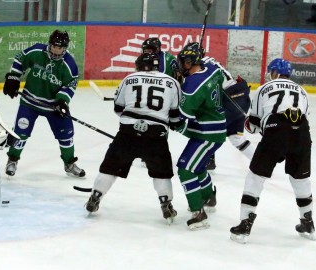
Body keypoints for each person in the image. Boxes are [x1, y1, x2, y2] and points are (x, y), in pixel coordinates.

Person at [85, 53, 182, 224]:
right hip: (156, 134)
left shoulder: (129, 79)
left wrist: (133, 124)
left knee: (110, 168)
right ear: (156, 66)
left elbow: (118, 108)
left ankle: (95, 197)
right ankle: (166, 204)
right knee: (161, 173)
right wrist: (169, 123)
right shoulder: (171, 82)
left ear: (137, 66)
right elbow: (175, 115)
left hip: (127, 132)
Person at [230, 58, 315, 243]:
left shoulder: (263, 89)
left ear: (274, 73)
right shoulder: (303, 91)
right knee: (301, 178)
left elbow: (253, 125)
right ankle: (308, 222)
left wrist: (250, 123)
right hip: (302, 133)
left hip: (276, 132)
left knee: (255, 177)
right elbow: (303, 117)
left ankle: (245, 225)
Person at [2, 29, 85, 178]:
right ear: (50, 44)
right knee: (21, 132)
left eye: (60, 48)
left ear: (65, 48)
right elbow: (20, 59)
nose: (56, 50)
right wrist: (14, 78)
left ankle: (69, 164)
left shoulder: (69, 65)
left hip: (53, 107)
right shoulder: (36, 51)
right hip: (29, 102)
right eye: (54, 46)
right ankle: (12, 159)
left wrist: (62, 101)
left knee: (66, 135)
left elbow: (70, 84)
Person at [172, 42, 227, 230]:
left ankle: (198, 213)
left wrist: (171, 121)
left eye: (183, 62)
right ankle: (208, 197)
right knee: (198, 166)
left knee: (185, 169)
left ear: (190, 62)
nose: (180, 66)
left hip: (207, 134)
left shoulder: (192, 84)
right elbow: (218, 69)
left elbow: (182, 116)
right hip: (214, 127)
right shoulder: (212, 69)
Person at [201, 56, 256, 171]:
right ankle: (260, 162)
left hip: (230, 100)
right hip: (241, 96)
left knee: (207, 126)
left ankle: (208, 161)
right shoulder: (210, 60)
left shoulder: (201, 67)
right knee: (236, 137)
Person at [139, 37, 177, 168]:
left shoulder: (168, 60)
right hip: (151, 95)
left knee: (161, 123)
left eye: (150, 49)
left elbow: (175, 78)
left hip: (166, 96)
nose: (147, 52)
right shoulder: (143, 59)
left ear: (158, 49)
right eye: (145, 49)